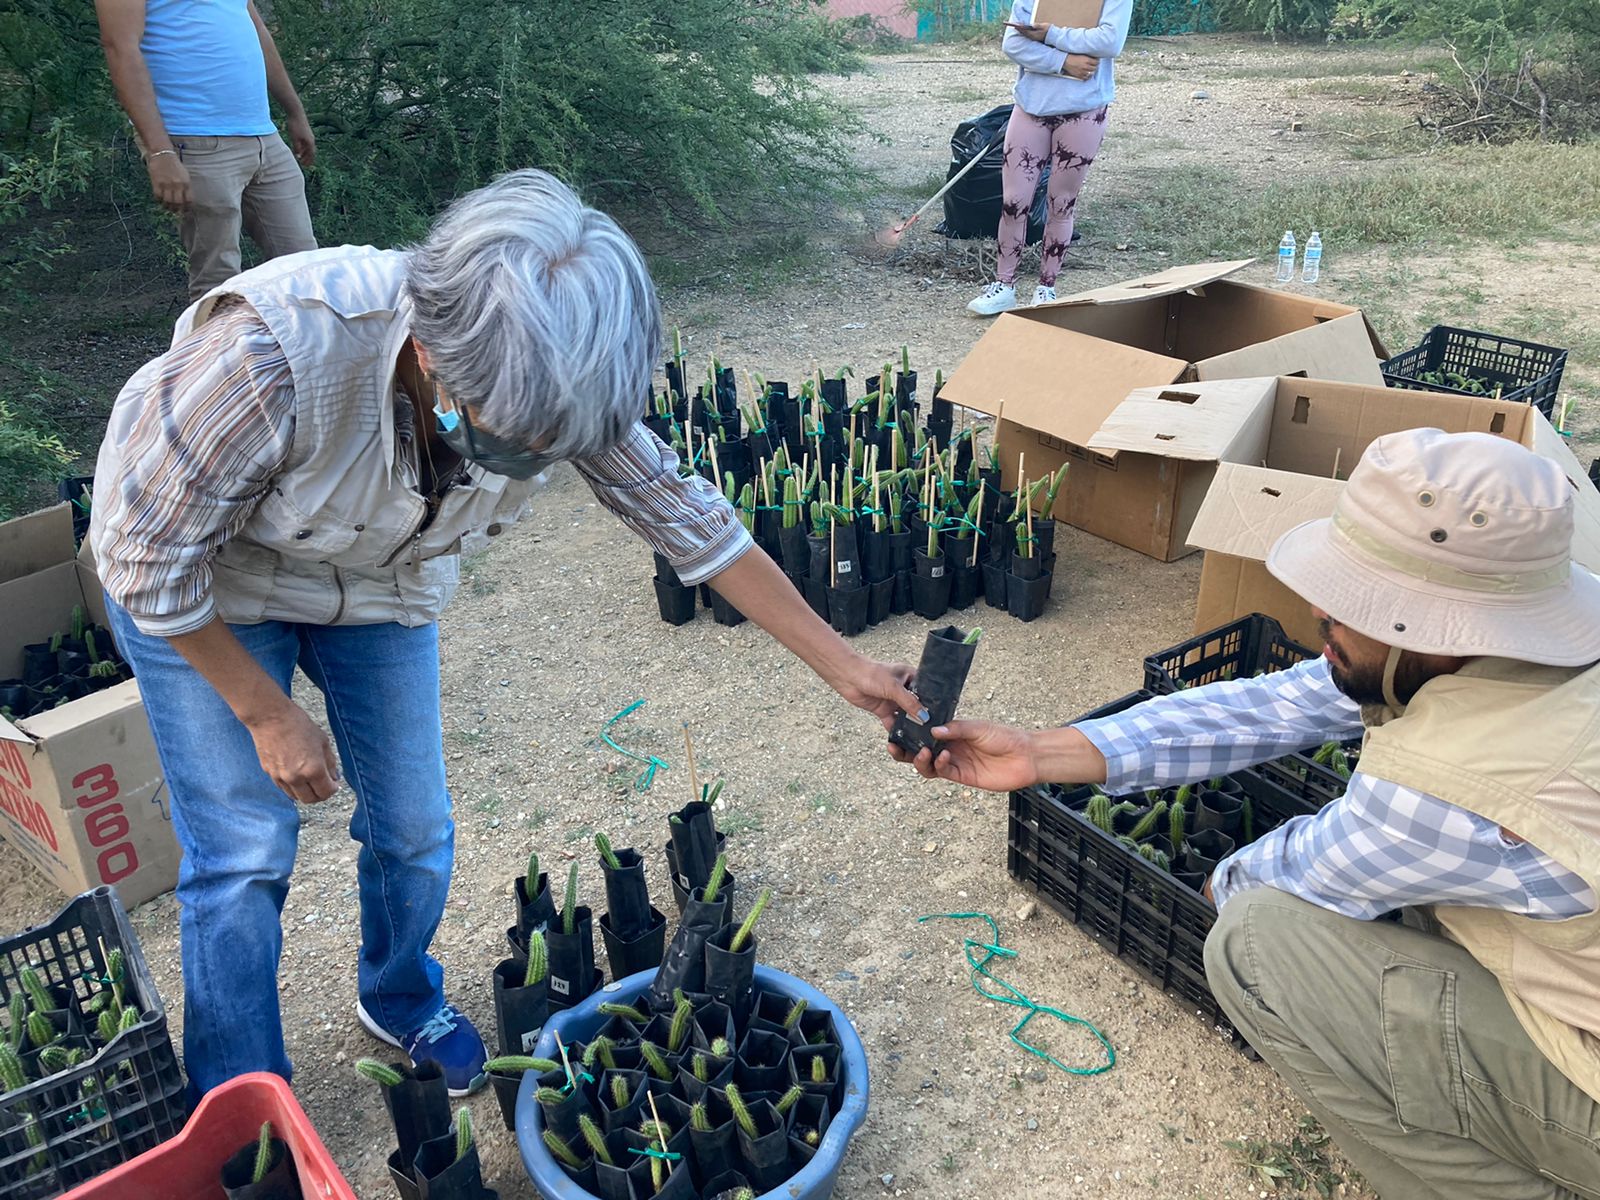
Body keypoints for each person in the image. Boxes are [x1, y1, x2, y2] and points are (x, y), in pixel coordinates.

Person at [89, 169, 920, 1100]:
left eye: (550, 446)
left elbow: (689, 522)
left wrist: (844, 666)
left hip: (377, 580)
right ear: (434, 356)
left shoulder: (556, 378)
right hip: (209, 578)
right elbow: (147, 565)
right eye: (514, 437)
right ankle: (240, 1092)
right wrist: (264, 711)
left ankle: (396, 993)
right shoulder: (271, 359)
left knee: (413, 826)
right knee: (243, 851)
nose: (532, 458)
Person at [892, 428, 1600, 1198]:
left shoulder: (1455, 782)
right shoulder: (1526, 654)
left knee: (1254, 945)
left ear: (1438, 625)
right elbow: (1271, 707)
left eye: (1358, 599)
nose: (1320, 609)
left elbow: (1271, 884)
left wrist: (1194, 887)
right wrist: (1040, 751)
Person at [96, 0, 318, 300]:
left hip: (262, 134)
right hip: (194, 139)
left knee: (308, 271)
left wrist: (294, 111)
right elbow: (120, 48)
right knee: (217, 287)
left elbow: (257, 29)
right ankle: (209, 347)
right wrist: (160, 153)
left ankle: (297, 347)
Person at [967, 0, 1131, 316]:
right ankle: (1003, 285)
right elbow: (1013, 43)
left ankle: (1047, 289)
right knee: (1013, 202)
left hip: (1084, 110)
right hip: (1030, 108)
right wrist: (1062, 61)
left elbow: (1110, 41)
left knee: (1062, 202)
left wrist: (1048, 34)